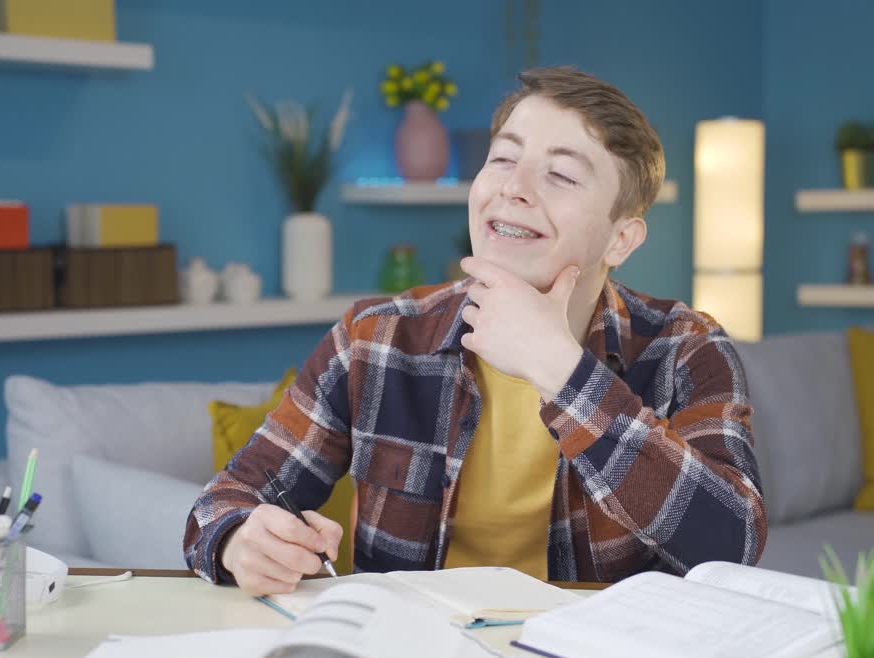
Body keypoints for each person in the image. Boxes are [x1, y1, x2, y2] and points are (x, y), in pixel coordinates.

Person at [184, 66, 766, 596]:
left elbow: (732, 544)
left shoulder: (686, 348)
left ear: (621, 239)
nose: (514, 187)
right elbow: (222, 504)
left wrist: (562, 373)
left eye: (561, 174)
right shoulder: (375, 338)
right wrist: (240, 541)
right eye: (503, 159)